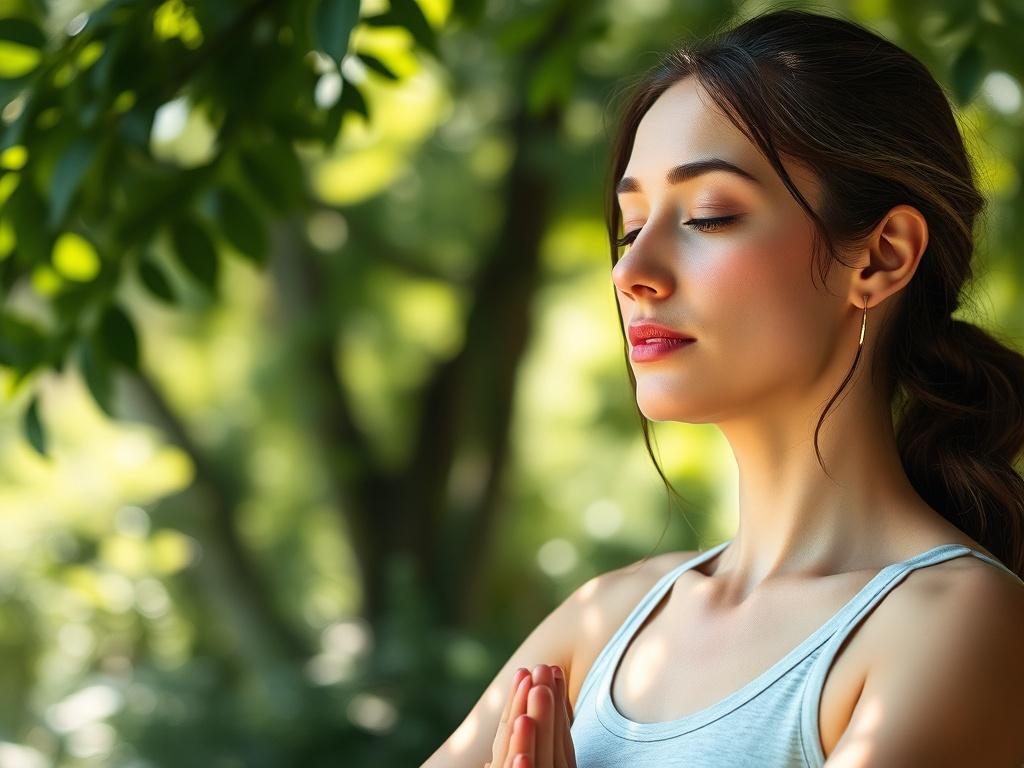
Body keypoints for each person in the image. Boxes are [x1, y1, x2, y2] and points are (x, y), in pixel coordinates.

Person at [421, 7, 1024, 767]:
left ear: (880, 257)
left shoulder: (949, 626)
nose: (630, 272)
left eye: (708, 216)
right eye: (631, 226)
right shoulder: (603, 623)